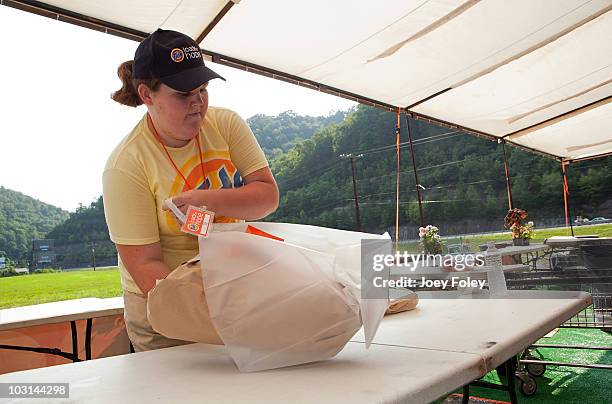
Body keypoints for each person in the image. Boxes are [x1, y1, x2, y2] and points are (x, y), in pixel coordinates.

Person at [103, 29, 279, 352]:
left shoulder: (226, 125)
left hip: (232, 287)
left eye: (203, 89)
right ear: (146, 94)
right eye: (184, 94)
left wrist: (205, 200)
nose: (198, 103)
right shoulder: (125, 166)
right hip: (164, 307)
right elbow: (145, 266)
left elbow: (267, 196)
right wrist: (209, 309)